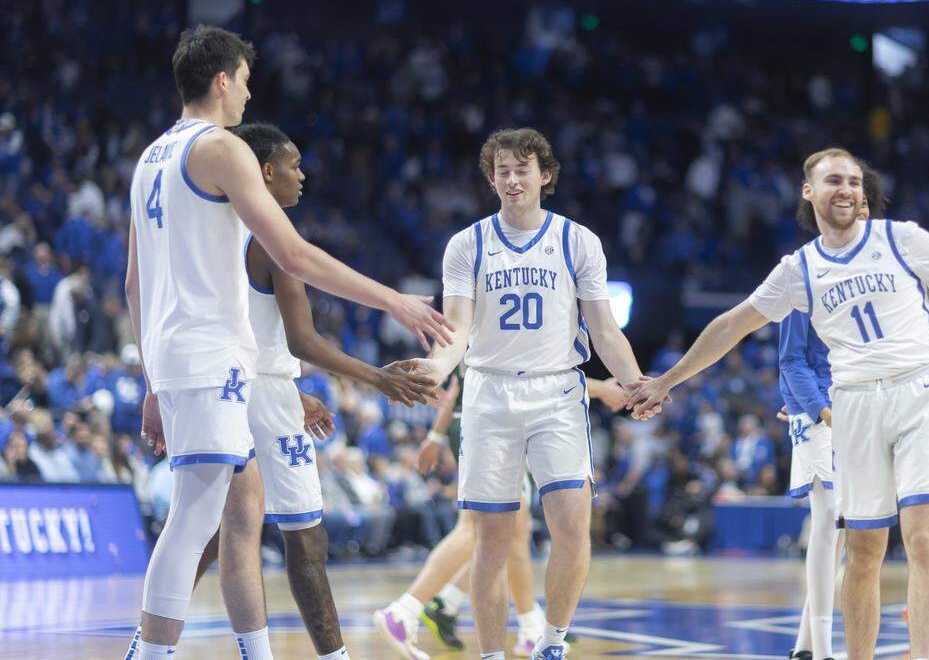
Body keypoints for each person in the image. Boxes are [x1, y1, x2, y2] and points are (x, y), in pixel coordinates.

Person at [628, 148, 929, 660]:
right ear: (809, 191)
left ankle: (928, 654)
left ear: (864, 192)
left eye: (853, 180)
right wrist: (668, 379)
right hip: (854, 404)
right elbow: (732, 325)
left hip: (923, 391)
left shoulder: (902, 238)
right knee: (864, 550)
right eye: (832, 181)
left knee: (926, 537)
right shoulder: (797, 269)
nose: (845, 189)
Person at [123, 25, 451, 660]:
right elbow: (293, 253)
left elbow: (135, 283)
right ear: (222, 81)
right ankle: (150, 653)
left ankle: (257, 653)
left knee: (241, 516)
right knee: (195, 519)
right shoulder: (220, 148)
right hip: (209, 355)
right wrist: (395, 300)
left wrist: (152, 384)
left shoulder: (149, 158)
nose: (248, 95)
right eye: (245, 82)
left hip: (193, 362)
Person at [187, 122, 437, 660]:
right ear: (266, 172)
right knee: (305, 537)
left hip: (222, 387)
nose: (303, 175)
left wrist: (290, 391)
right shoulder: (273, 237)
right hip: (263, 394)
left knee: (209, 533)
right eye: (294, 164)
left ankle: (150, 638)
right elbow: (303, 339)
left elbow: (242, 332)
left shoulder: (215, 229)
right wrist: (379, 378)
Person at [398, 127, 646, 660]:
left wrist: (635, 382)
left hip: (557, 391)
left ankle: (551, 642)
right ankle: (491, 654)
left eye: (522, 169)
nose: (512, 179)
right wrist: (436, 368)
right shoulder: (467, 244)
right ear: (491, 179)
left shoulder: (578, 240)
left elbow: (603, 329)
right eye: (502, 171)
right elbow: (458, 330)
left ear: (545, 175)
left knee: (573, 525)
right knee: (492, 541)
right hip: (488, 394)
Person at [376, 372, 626, 659]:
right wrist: (604, 389)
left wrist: (434, 431)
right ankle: (406, 608)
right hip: (493, 417)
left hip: (486, 414)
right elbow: (538, 368)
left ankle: (520, 622)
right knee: (480, 530)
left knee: (512, 532)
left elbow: (454, 375)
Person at [779, 163, 886, 660]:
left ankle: (805, 644)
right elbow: (791, 360)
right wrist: (819, 411)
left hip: (865, 408)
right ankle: (821, 648)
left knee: (852, 532)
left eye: (863, 207)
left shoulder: (883, 275)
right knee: (828, 524)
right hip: (823, 411)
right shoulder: (804, 269)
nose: (855, 212)